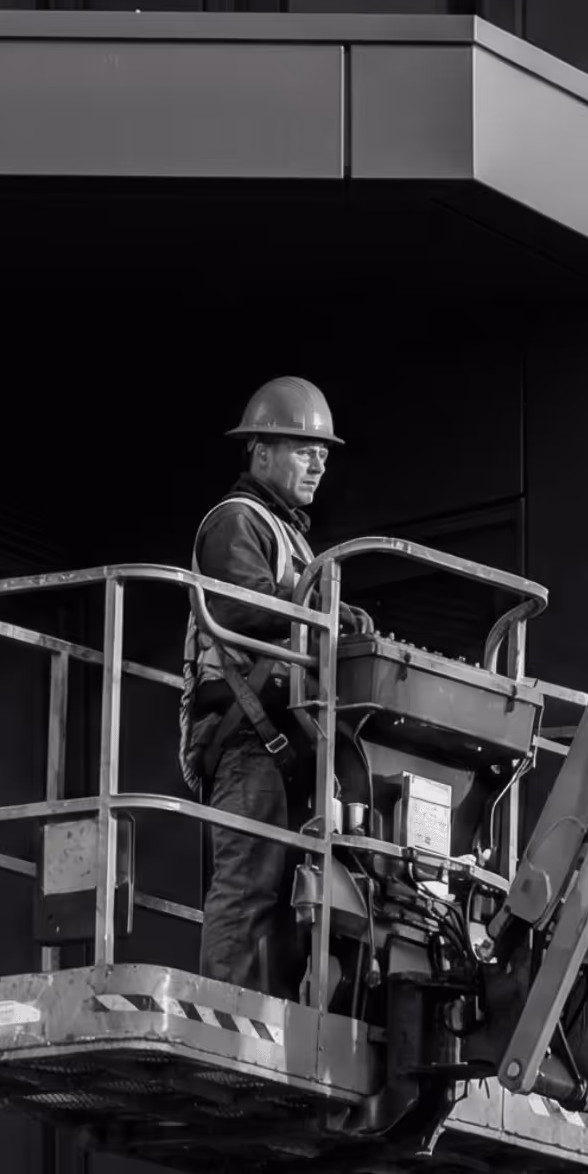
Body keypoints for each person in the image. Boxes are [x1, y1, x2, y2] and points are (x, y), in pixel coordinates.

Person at [180, 376, 368, 993]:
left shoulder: (288, 535)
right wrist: (319, 610)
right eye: (302, 449)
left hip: (280, 740)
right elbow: (240, 606)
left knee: (287, 895)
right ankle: (223, 1015)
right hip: (244, 738)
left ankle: (263, 1009)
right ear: (261, 451)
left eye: (323, 453)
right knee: (246, 887)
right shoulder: (236, 520)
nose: (318, 462)